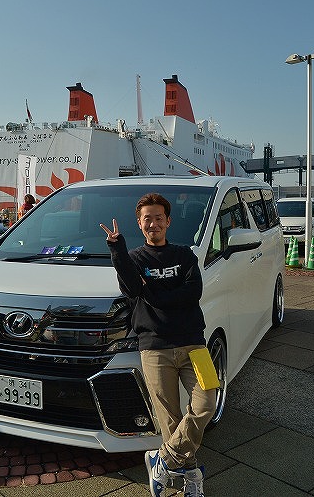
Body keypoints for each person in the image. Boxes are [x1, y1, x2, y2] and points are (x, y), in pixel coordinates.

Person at [100, 193, 215, 497]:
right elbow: (132, 289)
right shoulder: (135, 259)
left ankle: (162, 459)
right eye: (147, 219)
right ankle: (191, 475)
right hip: (154, 347)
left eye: (158, 218)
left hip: (194, 345)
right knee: (170, 419)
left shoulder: (185, 255)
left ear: (168, 221)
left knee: (207, 405)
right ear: (140, 224)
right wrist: (117, 248)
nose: (154, 223)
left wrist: (153, 294)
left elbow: (192, 293)